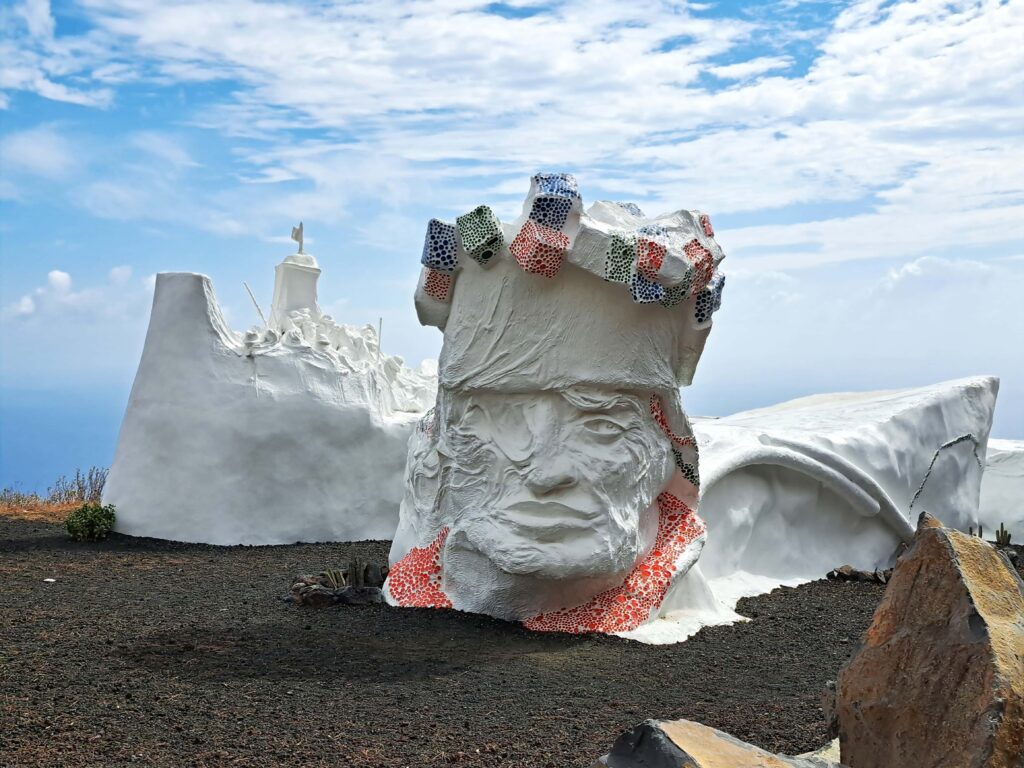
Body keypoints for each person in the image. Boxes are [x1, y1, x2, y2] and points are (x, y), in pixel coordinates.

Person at [385, 174, 726, 634]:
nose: (546, 474)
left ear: (665, 442)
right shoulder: (424, 566)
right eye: (497, 421)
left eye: (600, 426)